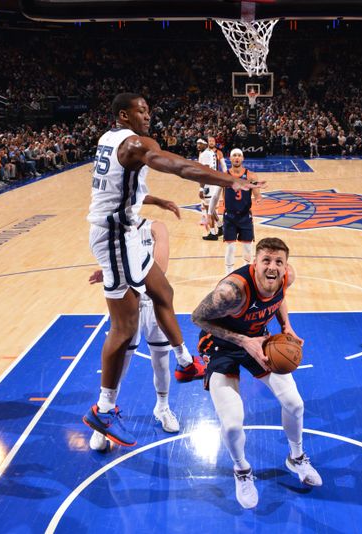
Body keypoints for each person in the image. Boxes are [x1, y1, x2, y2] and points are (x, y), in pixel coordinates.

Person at [83, 92, 264, 448]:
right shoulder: (136, 144)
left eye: (149, 109)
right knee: (124, 327)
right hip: (116, 236)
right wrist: (231, 181)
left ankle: (183, 361)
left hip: (124, 233)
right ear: (124, 115)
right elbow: (179, 166)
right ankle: (104, 409)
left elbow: (117, 189)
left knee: (162, 292)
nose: (148, 115)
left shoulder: (109, 139)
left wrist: (154, 200)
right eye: (141, 110)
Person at [192, 237, 321, 509]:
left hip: (260, 341)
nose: (272, 267)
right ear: (254, 262)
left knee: (294, 403)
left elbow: (279, 297)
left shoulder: (287, 277)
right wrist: (242, 341)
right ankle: (242, 470)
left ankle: (296, 458)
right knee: (231, 422)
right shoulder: (231, 291)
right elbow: (198, 317)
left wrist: (286, 326)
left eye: (278, 262)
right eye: (266, 260)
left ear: (286, 266)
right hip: (221, 345)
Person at [88, 202, 186, 451]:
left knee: (161, 361)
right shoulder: (112, 231)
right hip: (126, 305)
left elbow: (159, 270)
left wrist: (119, 270)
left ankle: (162, 407)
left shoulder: (156, 228)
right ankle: (104, 417)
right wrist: (108, 271)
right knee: (118, 365)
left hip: (152, 304)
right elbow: (113, 265)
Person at [208, 148, 262, 274]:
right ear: (230, 158)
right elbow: (215, 196)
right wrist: (210, 213)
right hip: (230, 216)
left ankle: (247, 272)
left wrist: (258, 197)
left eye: (239, 155)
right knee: (230, 247)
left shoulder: (251, 175)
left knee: (248, 248)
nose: (237, 158)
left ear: (242, 158)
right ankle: (229, 274)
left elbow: (257, 193)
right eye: (234, 155)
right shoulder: (224, 176)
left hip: (245, 216)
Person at [199, 137, 227, 241]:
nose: (197, 145)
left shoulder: (210, 154)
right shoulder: (207, 153)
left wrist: (201, 188)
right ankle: (220, 227)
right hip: (214, 181)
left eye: (199, 143)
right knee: (210, 207)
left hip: (210, 183)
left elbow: (205, 171)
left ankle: (213, 233)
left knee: (208, 209)